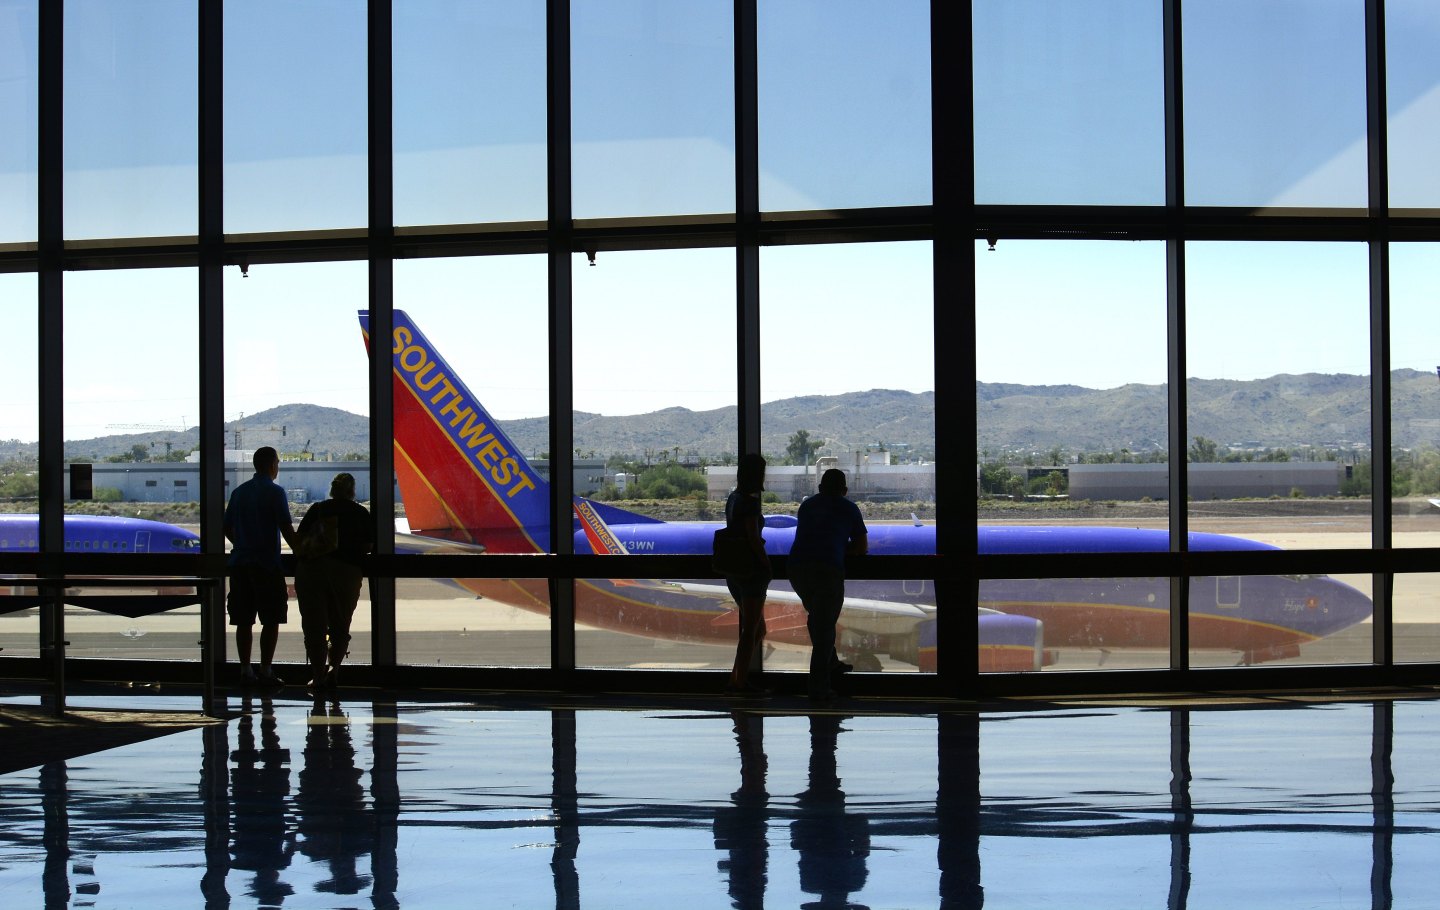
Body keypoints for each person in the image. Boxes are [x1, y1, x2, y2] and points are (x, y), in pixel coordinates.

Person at [787, 468, 867, 703]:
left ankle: (831, 661)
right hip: (827, 571)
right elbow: (861, 547)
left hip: (797, 570)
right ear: (844, 491)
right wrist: (842, 549)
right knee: (824, 628)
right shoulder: (849, 508)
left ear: (820, 488)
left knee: (817, 620)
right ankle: (819, 689)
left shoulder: (807, 506)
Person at [224, 446, 299, 687]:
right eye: (277, 462)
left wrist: (244, 544)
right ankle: (266, 670)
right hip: (267, 565)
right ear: (271, 465)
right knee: (271, 619)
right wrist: (303, 551)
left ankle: (245, 670)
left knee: (243, 620)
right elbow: (286, 528)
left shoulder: (239, 493)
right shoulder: (275, 493)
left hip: (240, 564)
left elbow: (226, 527)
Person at [294, 472, 374, 690]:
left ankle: (318, 676)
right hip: (346, 573)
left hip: (312, 571)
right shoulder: (359, 513)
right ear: (352, 491)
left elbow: (299, 539)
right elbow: (368, 546)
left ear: (332, 490)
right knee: (340, 625)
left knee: (314, 626)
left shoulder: (318, 509)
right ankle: (334, 671)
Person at [724, 453, 771, 695]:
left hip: (734, 570)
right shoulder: (750, 503)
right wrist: (766, 564)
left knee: (757, 629)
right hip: (751, 571)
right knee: (752, 629)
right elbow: (753, 538)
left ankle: (737, 678)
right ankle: (738, 683)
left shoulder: (733, 498)